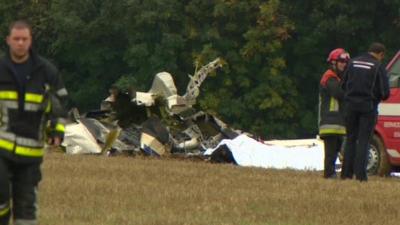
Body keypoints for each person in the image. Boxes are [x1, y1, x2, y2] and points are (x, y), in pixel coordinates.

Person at [0, 20, 68, 224]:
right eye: (16, 39)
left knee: (26, 209)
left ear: (30, 41)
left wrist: (56, 128)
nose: (20, 43)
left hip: (31, 151)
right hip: (1, 146)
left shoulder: (46, 72)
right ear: (8, 41)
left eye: (24, 39)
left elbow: (60, 102)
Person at [341, 43, 390, 181]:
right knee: (363, 140)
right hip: (368, 107)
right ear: (381, 54)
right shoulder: (378, 66)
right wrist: (376, 98)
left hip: (350, 106)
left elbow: (343, 85)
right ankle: (361, 176)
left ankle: (346, 174)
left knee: (350, 139)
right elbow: (385, 92)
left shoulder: (352, 63)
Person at [318, 48, 350, 178]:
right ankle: (329, 174)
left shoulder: (338, 78)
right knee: (331, 152)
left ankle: (332, 173)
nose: (344, 64)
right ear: (333, 63)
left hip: (337, 122)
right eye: (341, 61)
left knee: (336, 149)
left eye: (346, 62)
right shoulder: (329, 77)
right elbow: (339, 94)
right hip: (330, 121)